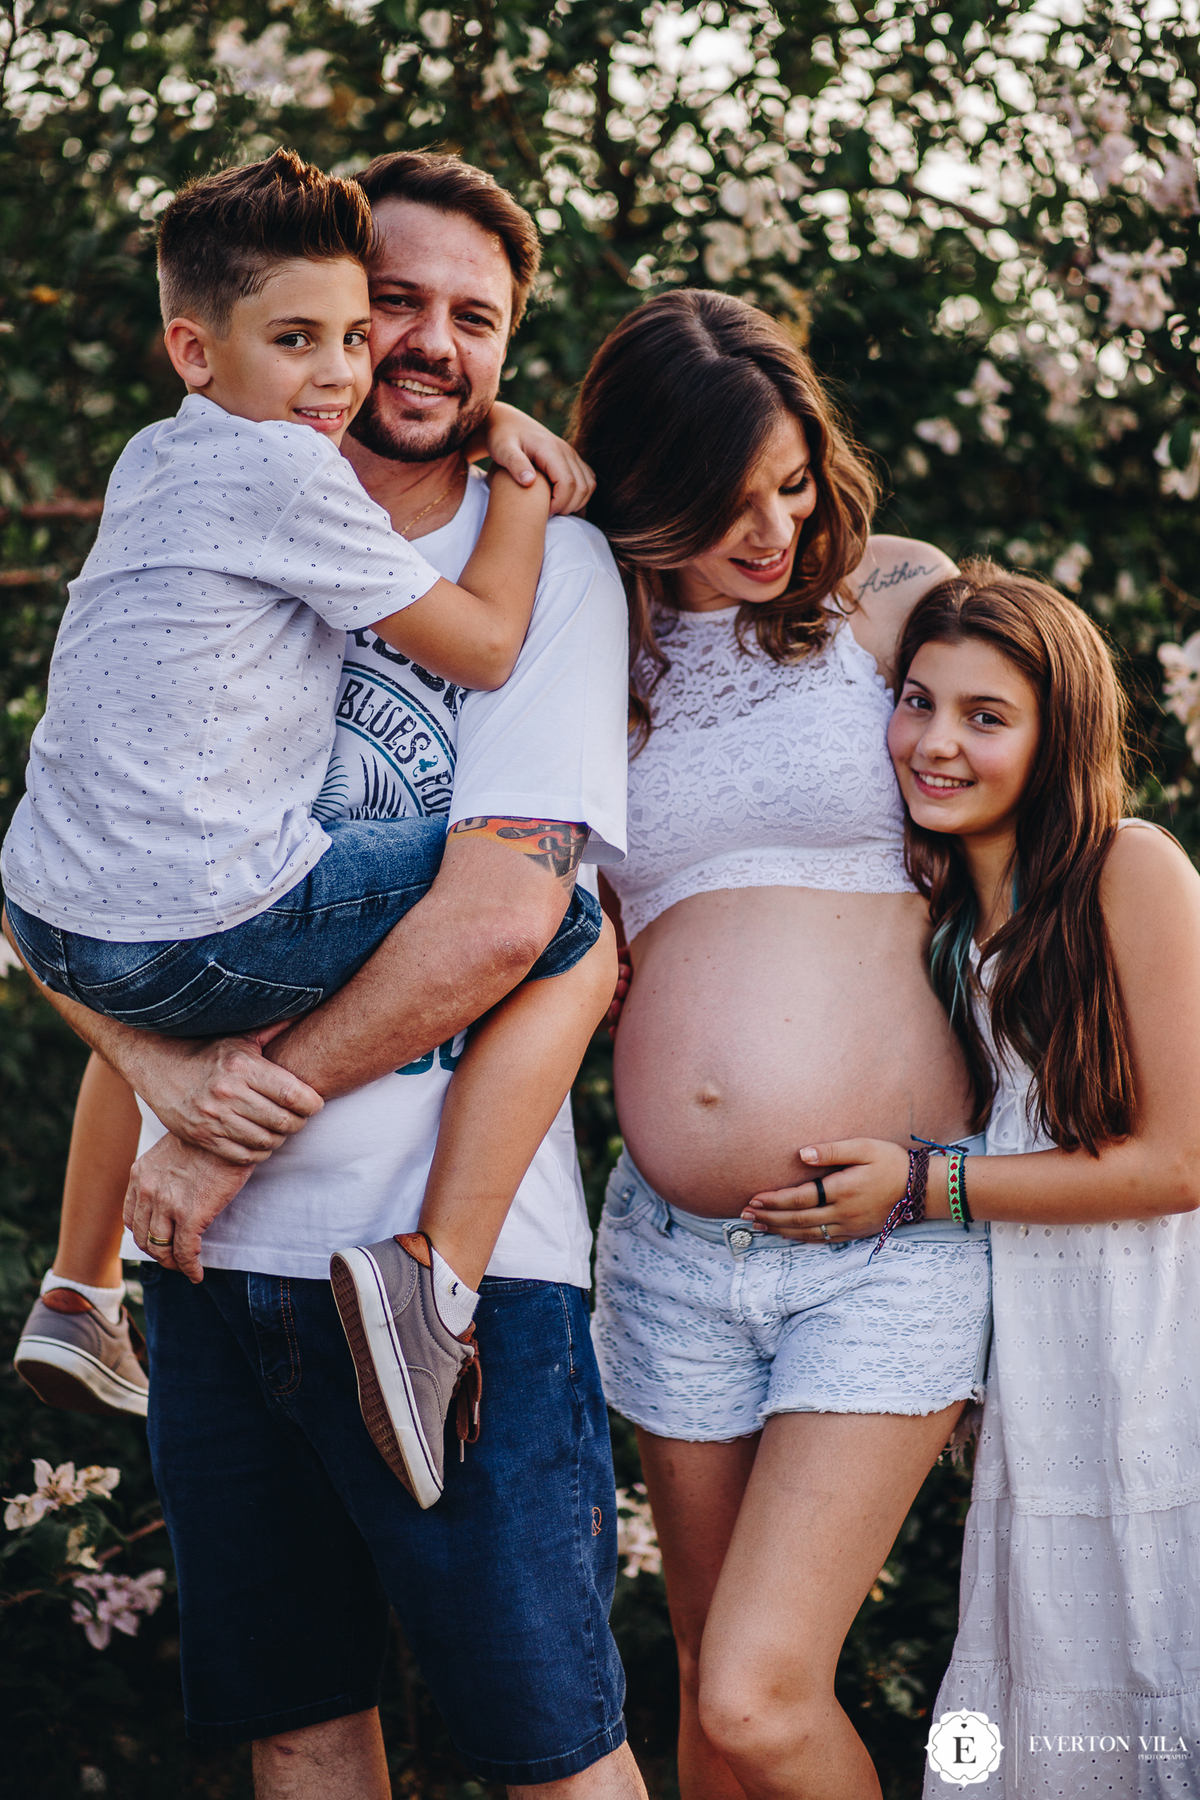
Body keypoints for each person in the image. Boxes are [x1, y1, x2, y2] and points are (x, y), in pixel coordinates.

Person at [10, 151, 646, 1799]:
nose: (420, 346)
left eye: (471, 319)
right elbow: (60, 880)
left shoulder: (551, 570)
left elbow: (509, 911)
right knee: (299, 1735)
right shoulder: (215, 533)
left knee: (552, 1753)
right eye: (391, 309)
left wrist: (213, 1127)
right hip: (216, 1284)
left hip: (456, 1279)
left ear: (507, 350)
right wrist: (166, 1085)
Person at [576, 287, 990, 1800]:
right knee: (707, 1692)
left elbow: (1032, 781)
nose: (770, 530)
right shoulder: (577, 652)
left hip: (890, 1229)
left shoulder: (893, 598)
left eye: (793, 482)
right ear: (637, 490)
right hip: (679, 1250)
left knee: (758, 1695)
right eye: (723, 499)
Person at [743, 564, 1200, 1800]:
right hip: (1043, 1356)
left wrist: (924, 1187)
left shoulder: (1130, 870)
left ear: (1060, 738)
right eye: (915, 699)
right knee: (1069, 1666)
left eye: (986, 717)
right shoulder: (943, 904)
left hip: (1157, 1343)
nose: (934, 742)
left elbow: (1179, 1163)